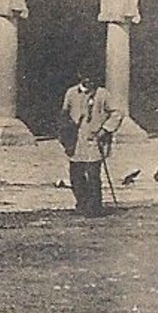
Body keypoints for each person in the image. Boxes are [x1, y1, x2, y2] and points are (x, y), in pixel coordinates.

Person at [60, 68, 123, 217]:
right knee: (76, 175)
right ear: (80, 75)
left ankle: (94, 207)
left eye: (92, 77)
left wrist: (105, 130)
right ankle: (82, 203)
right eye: (86, 76)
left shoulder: (103, 94)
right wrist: (66, 133)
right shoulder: (71, 93)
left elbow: (117, 113)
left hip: (95, 141)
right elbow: (64, 115)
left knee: (93, 174)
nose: (89, 80)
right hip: (76, 142)